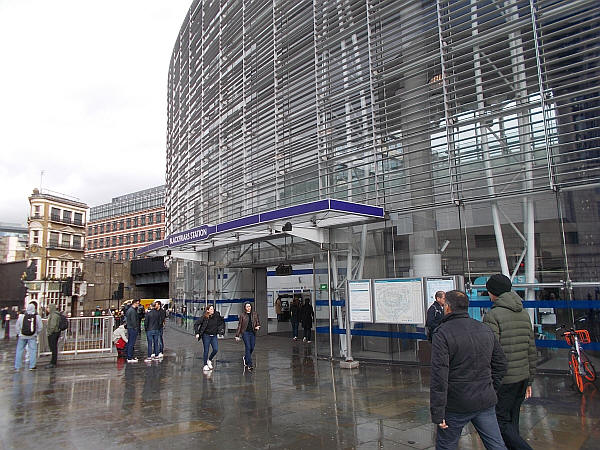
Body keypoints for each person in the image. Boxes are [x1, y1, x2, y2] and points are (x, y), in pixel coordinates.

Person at [430, 290, 508, 450]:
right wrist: (491, 387)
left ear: (448, 308)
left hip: (456, 403)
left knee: (447, 445)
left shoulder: (442, 333)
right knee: (496, 444)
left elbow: (440, 375)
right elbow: (501, 364)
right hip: (484, 399)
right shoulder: (484, 329)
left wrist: (438, 411)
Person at [484, 274, 536, 450]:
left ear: (493, 292)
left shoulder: (493, 315)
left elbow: (491, 352)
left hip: (504, 380)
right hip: (522, 378)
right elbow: (531, 348)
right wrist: (530, 379)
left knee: (499, 421)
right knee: (512, 421)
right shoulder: (523, 313)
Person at [194, 305, 225, 372]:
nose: (212, 310)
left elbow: (221, 322)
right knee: (206, 350)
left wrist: (221, 331)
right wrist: (197, 333)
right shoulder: (204, 317)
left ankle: (209, 360)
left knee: (215, 349)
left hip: (213, 335)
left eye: (213, 309)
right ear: (207, 310)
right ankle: (205, 365)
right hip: (206, 335)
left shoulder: (216, 316)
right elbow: (196, 324)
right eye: (211, 309)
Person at [14, 303, 43, 371]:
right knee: (32, 351)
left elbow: (17, 326)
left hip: (22, 336)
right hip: (32, 336)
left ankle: (17, 366)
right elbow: (40, 327)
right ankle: (32, 366)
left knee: (19, 350)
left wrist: (19, 333)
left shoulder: (21, 317)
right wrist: (36, 333)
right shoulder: (37, 317)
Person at [235, 302, 260, 371]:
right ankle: (250, 364)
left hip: (252, 332)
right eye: (247, 307)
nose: (249, 308)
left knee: (252, 347)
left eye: (249, 306)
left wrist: (257, 326)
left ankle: (246, 358)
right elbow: (240, 325)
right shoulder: (242, 315)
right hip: (245, 333)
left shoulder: (254, 314)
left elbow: (257, 322)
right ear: (245, 308)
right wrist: (237, 335)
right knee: (248, 347)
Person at [45, 304, 61, 368]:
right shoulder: (53, 315)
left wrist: (49, 332)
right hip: (54, 333)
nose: (47, 309)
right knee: (53, 347)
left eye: (48, 307)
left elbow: (53, 325)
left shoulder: (54, 315)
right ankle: (53, 361)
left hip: (53, 333)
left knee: (53, 348)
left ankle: (53, 362)